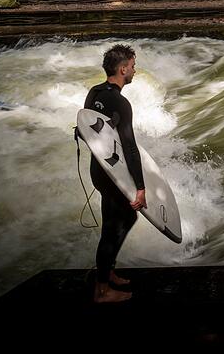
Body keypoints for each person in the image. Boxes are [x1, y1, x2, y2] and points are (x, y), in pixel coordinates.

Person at [84, 44, 146, 304]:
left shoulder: (94, 92)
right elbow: (129, 146)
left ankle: (107, 271)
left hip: (98, 170)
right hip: (112, 175)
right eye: (132, 66)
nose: (133, 70)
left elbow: (86, 128)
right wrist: (140, 187)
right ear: (122, 69)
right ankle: (102, 290)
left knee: (125, 218)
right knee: (112, 227)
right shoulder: (121, 102)